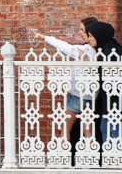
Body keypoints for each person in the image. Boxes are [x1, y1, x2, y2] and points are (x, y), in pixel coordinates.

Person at [29, 16, 98, 147]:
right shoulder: (97, 50)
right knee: (87, 130)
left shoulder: (85, 50)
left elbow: (64, 47)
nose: (81, 33)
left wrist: (45, 37)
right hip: (91, 96)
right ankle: (91, 157)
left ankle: (62, 157)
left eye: (83, 31)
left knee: (65, 129)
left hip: (77, 96)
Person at [86, 22, 122, 145]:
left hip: (115, 100)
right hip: (110, 100)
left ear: (99, 35)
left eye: (91, 36)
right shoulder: (106, 48)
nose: (89, 39)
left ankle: (117, 160)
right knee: (106, 129)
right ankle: (111, 159)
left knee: (114, 130)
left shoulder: (111, 51)